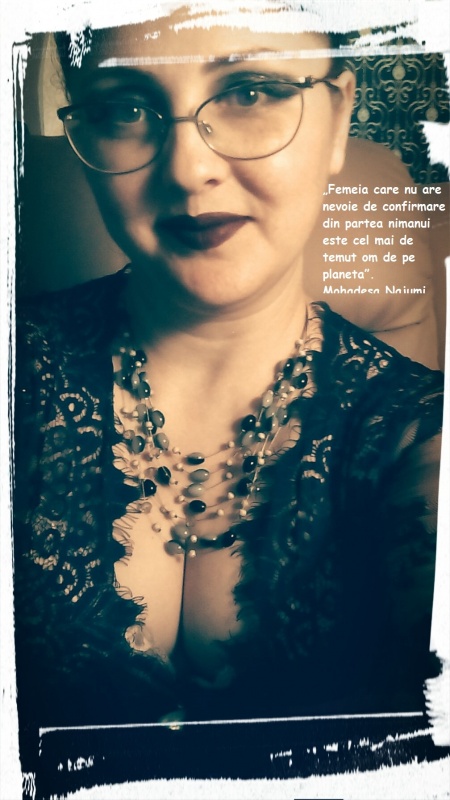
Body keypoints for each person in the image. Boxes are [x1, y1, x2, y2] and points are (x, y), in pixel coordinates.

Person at [14, 2, 443, 785]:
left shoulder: (418, 434)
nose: (188, 170)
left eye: (249, 92)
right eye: (125, 107)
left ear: (337, 118)